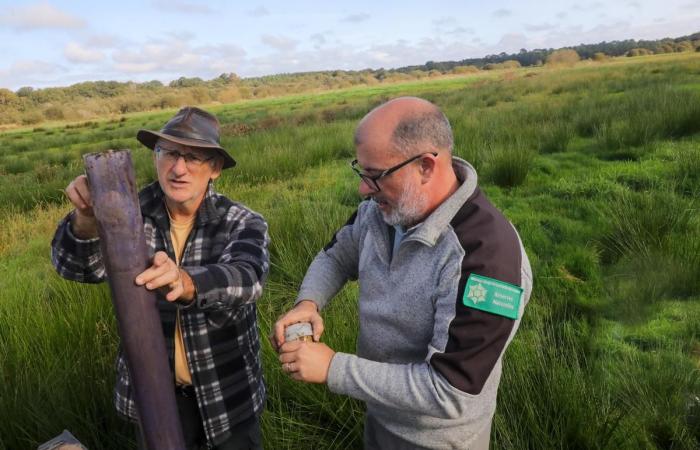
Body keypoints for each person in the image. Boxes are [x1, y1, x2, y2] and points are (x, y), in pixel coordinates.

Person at [272, 97, 532, 450]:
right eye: (361, 172)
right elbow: (337, 255)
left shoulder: (486, 259)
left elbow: (451, 392)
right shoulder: (383, 209)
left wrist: (333, 368)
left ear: (425, 166)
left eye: (375, 176)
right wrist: (308, 302)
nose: (364, 189)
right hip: (379, 417)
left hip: (439, 440)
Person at [51, 106, 269, 450]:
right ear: (155, 157)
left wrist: (186, 282)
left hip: (226, 395)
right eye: (168, 153)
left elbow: (248, 277)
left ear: (215, 169)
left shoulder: (241, 221)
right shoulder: (126, 214)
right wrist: (86, 220)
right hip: (154, 399)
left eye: (194, 157)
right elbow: (76, 268)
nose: (179, 168)